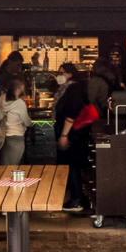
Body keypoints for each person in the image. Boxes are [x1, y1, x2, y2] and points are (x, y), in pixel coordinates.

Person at [52, 64, 92, 211]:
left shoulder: (74, 89)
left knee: (71, 165)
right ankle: (73, 198)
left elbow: (71, 113)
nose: (58, 75)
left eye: (60, 73)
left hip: (72, 134)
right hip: (70, 132)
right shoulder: (67, 88)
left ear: (69, 74)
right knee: (69, 165)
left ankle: (76, 201)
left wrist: (64, 135)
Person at [0, 78, 31, 167]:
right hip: (16, 136)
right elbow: (27, 122)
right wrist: (30, 120)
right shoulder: (20, 103)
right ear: (20, 87)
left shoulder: (1, 99)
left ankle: (4, 180)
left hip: (2, 136)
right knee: (14, 166)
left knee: (4, 165)